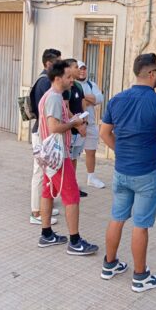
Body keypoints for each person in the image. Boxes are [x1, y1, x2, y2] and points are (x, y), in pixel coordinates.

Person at [100, 53, 156, 292]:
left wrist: (121, 152)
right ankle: (140, 277)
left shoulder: (117, 100)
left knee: (117, 217)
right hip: (147, 174)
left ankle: (109, 265)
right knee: (140, 225)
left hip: (121, 172)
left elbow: (104, 133)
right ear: (151, 74)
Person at [37, 60, 98, 255]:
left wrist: (72, 121)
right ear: (58, 78)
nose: (72, 80)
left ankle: (46, 234)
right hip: (58, 156)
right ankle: (75, 241)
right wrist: (74, 123)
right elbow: (54, 127)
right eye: (68, 76)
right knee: (71, 195)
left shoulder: (49, 96)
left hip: (49, 154)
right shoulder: (55, 98)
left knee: (48, 191)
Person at [29, 48, 61, 225]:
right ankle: (35, 212)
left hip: (44, 132)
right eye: (58, 62)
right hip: (41, 132)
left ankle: (44, 207)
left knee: (46, 171)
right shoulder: (44, 83)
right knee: (39, 172)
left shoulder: (46, 81)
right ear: (48, 64)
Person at [76, 61, 105, 189]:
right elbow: (78, 102)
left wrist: (83, 98)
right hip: (76, 126)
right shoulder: (72, 85)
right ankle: (72, 180)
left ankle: (91, 178)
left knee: (91, 152)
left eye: (84, 69)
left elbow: (99, 99)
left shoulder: (91, 85)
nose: (82, 71)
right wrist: (89, 99)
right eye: (80, 69)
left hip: (91, 124)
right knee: (73, 155)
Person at [63, 59, 88, 198]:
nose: (79, 69)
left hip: (80, 129)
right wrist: (78, 125)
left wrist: (84, 123)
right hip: (71, 130)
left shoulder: (78, 85)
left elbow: (83, 104)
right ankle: (67, 188)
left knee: (74, 158)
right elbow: (66, 109)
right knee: (67, 160)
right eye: (76, 67)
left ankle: (72, 185)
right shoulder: (66, 88)